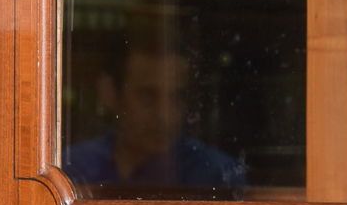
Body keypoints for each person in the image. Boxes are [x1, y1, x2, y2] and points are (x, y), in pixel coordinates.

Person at [62, 33, 245, 194]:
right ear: (110, 93)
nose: (165, 115)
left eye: (177, 97)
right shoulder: (73, 169)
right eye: (148, 96)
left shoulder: (215, 175)